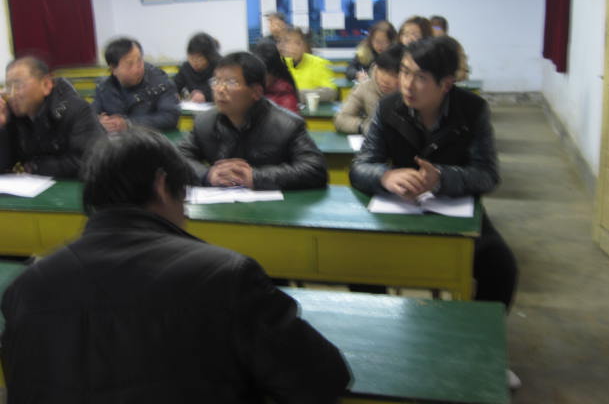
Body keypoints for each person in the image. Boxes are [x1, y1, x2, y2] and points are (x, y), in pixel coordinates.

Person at [0, 127, 351, 402]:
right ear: (162, 185)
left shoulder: (26, 288)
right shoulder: (226, 277)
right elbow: (321, 379)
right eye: (184, 192)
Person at [349, 37, 517, 309]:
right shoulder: (388, 108)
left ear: (446, 84)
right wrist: (385, 176)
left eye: (421, 77)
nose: (407, 84)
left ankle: (474, 332)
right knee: (356, 259)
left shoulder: (472, 110)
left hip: (455, 210)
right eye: (404, 72)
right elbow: (361, 165)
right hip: (399, 208)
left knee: (501, 266)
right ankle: (379, 322)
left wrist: (440, 178)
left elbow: (487, 174)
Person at [179, 51, 327, 190]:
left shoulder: (287, 125)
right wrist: (207, 174)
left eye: (231, 82)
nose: (220, 89)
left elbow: (315, 169)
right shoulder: (204, 122)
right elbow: (178, 158)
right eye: (216, 81)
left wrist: (255, 177)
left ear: (256, 92)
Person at [0, 56, 103, 178]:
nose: (12, 94)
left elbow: (89, 162)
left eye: (18, 85)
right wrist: (1, 128)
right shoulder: (13, 116)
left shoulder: (76, 110)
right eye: (8, 87)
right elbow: (4, 165)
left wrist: (35, 167)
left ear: (46, 84)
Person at [93, 37, 180, 132]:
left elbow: (170, 117)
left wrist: (129, 124)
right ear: (113, 69)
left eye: (139, 61)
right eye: (129, 64)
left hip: (154, 139)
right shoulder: (104, 88)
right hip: (116, 140)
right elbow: (91, 115)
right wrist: (100, 122)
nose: (136, 69)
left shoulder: (160, 82)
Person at [335, 44, 404, 135]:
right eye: (382, 71)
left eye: (393, 75)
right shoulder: (365, 87)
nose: (385, 79)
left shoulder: (411, 95)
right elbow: (341, 119)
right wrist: (364, 126)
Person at [282, 28, 337, 103]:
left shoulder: (320, 63)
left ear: (305, 46)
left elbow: (330, 92)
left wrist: (295, 94)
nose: (292, 47)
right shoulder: (281, 63)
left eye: (297, 43)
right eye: (288, 42)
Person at [252, 40, 300, 113]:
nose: (258, 80)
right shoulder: (259, 92)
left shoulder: (286, 100)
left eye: (263, 76)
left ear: (275, 73)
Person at [174, 32, 221, 102]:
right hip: (194, 107)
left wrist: (205, 95)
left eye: (199, 58)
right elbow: (175, 86)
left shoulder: (220, 67)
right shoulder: (186, 68)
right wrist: (172, 94)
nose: (195, 62)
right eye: (191, 58)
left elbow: (225, 91)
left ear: (209, 57)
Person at [429, 15, 470, 81]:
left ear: (444, 30)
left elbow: (463, 72)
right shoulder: (423, 44)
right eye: (432, 27)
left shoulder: (454, 45)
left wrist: (445, 78)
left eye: (437, 28)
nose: (434, 30)